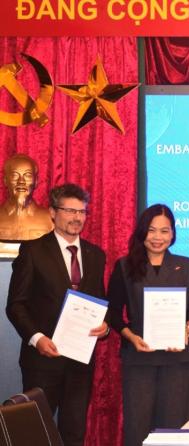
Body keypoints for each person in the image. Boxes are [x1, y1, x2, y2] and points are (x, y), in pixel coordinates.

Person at [6, 183, 107, 446]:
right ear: (52, 212)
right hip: (42, 362)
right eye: (69, 211)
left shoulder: (96, 255)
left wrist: (105, 327)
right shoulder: (33, 251)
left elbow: (100, 302)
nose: (77, 218)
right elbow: (15, 305)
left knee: (74, 434)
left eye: (82, 212)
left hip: (80, 364)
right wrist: (37, 338)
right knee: (34, 434)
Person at [108, 204, 189, 446]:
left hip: (177, 360)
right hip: (139, 357)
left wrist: (187, 330)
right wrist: (131, 337)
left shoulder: (186, 266)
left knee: (175, 427)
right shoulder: (124, 266)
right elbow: (113, 312)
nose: (157, 237)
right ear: (142, 232)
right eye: (151, 230)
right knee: (138, 427)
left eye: (164, 231)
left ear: (173, 234)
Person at [0, 153, 53, 241]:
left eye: (27, 175)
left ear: (36, 181)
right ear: (5, 180)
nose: (21, 181)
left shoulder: (51, 219)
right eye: (15, 175)